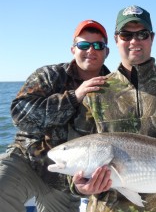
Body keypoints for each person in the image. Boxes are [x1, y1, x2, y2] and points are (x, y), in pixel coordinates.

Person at [68, 5, 156, 212]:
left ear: (151, 38)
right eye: (127, 35)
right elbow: (75, 159)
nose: (134, 41)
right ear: (117, 39)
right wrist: (80, 186)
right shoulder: (95, 92)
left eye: (142, 34)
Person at [0, 19, 111, 212]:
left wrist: (86, 183)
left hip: (68, 183)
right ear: (73, 50)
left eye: (98, 45)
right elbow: (21, 116)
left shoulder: (114, 89)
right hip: (26, 163)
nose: (91, 50)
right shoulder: (49, 75)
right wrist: (74, 97)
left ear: (106, 52)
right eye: (83, 45)